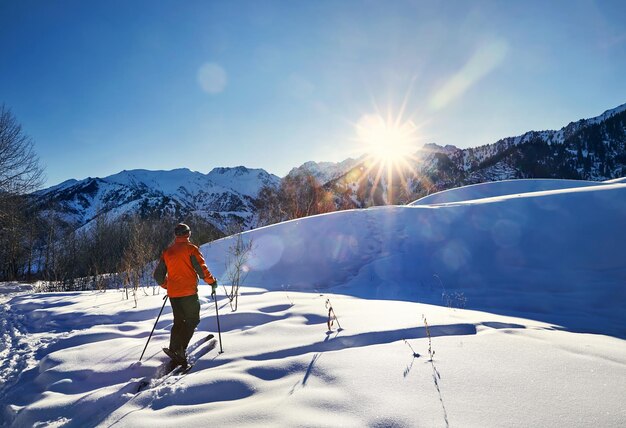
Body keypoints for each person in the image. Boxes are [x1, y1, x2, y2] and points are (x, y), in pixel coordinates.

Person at [153, 223, 217, 367]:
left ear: (176, 235)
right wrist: (212, 282)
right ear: (188, 234)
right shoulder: (191, 249)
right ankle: (181, 350)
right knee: (193, 319)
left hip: (174, 294)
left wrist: (168, 286)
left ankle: (174, 348)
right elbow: (202, 270)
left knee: (178, 321)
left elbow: (157, 275)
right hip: (188, 293)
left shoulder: (167, 252)